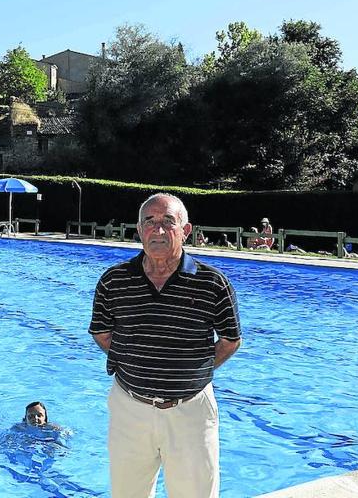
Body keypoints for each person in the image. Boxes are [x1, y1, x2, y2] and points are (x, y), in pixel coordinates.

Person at [89, 193, 241, 498]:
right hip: (129, 409)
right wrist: (133, 361)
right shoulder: (114, 281)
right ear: (139, 229)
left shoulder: (213, 283)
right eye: (150, 222)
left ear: (185, 230)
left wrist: (193, 372)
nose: (158, 230)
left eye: (167, 222)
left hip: (191, 412)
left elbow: (229, 340)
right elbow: (102, 332)